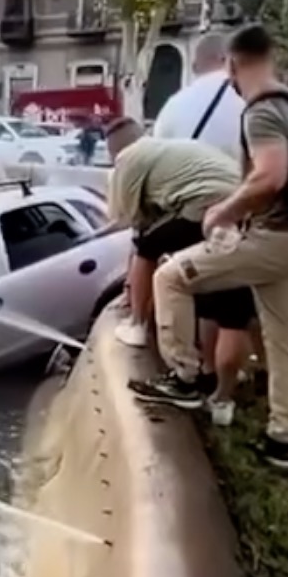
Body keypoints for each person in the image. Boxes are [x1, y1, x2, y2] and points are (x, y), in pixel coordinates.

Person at [152, 25, 288, 469]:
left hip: (271, 239)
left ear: (232, 62)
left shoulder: (261, 111)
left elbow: (271, 175)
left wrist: (223, 211)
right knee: (284, 339)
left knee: (170, 277)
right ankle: (284, 441)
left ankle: (185, 378)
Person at [104, 121, 256, 426]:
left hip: (207, 206)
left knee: (150, 249)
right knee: (220, 297)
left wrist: (132, 290)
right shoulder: (169, 150)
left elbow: (131, 223)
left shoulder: (128, 159)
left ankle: (140, 328)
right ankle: (219, 378)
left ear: (113, 150)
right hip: (244, 206)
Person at [152, 32, 245, 157]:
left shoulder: (173, 105)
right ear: (230, 61)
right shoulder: (249, 98)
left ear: (194, 67)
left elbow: (158, 154)